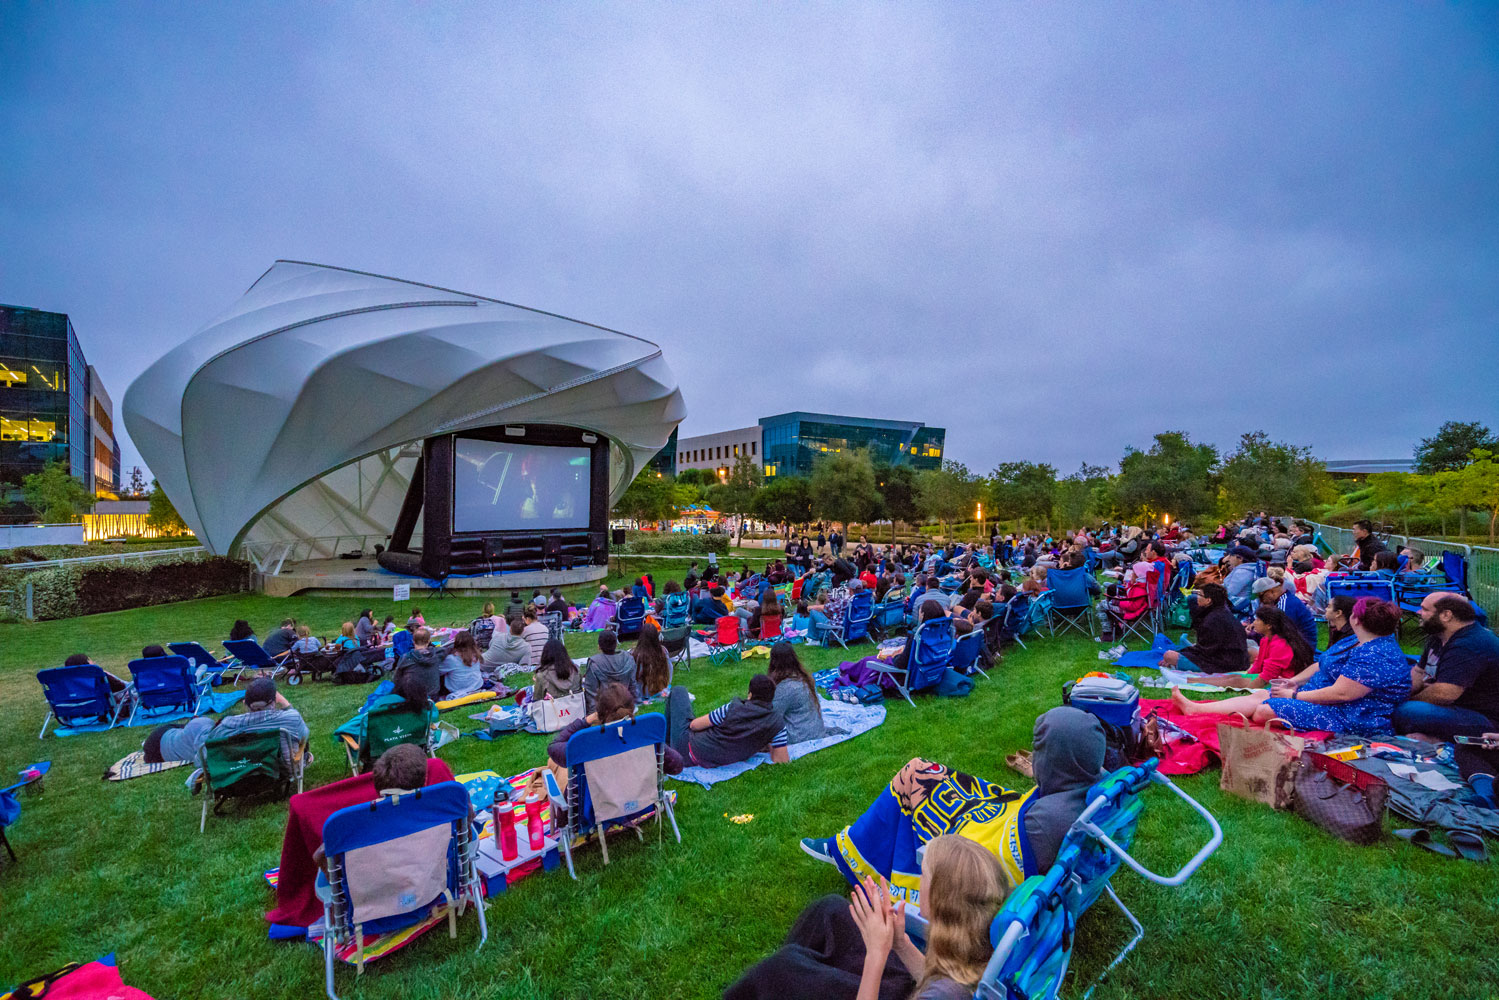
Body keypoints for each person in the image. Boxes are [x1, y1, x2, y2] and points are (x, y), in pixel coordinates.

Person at [797, 707, 1105, 904]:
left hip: (975, 848)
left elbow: (987, 863)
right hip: (999, 820)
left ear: (1059, 758)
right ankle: (863, 842)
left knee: (912, 784)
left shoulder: (1050, 823)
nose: (1036, 758)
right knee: (923, 772)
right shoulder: (1088, 793)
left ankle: (850, 850)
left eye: (1041, 751)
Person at [1171, 597, 1412, 737]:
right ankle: (1196, 709)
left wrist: (1294, 695)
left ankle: (1200, 709)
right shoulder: (1356, 641)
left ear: (1356, 619)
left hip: (1351, 716)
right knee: (1263, 695)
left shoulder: (1374, 654)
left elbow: (1342, 694)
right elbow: (1320, 664)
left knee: (1265, 709)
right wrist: (1294, 682)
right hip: (1325, 699)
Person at [1394, 594, 1499, 740]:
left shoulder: (1469, 644)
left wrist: (1410, 700)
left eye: (1425, 609)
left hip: (1484, 718)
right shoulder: (1439, 636)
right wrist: (1396, 696)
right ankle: (1431, 738)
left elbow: (1444, 694)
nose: (1418, 612)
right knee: (1396, 701)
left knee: (1408, 711)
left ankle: (1443, 741)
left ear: (1446, 615)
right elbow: (1418, 672)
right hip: (1457, 707)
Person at [142, 677, 309, 766]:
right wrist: (286, 704)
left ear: (245, 704)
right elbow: (304, 736)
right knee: (199, 725)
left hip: (161, 743)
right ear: (273, 702)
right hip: (167, 742)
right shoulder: (291, 720)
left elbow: (202, 758)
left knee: (199, 724)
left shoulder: (228, 725)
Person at [545, 681, 683, 781]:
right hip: (641, 803)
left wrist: (586, 721)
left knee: (556, 765)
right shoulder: (645, 737)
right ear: (632, 708)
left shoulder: (585, 743)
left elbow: (554, 747)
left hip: (596, 809)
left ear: (599, 712)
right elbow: (677, 766)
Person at [666, 673, 790, 768]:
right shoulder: (776, 723)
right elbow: (781, 760)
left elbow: (694, 725)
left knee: (679, 691)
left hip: (688, 749)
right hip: (713, 760)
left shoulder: (732, 708)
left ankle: (666, 746)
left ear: (750, 694)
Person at [1193, 606, 1316, 689]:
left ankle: (1194, 682)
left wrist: (1249, 686)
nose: (1254, 623)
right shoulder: (1266, 640)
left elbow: (1268, 676)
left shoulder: (1280, 645)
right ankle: (1193, 681)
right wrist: (1248, 675)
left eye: (1257, 620)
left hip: (1280, 682)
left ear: (1268, 625)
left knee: (1234, 681)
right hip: (1269, 678)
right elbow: (1258, 663)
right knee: (1234, 677)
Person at [1160, 584, 1250, 675]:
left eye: (1200, 595)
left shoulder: (1212, 619)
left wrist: (1181, 655)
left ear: (1208, 600)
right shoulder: (1223, 613)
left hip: (1223, 664)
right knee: (1184, 651)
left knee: (1169, 655)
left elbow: (1205, 652)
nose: (1197, 597)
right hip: (1235, 661)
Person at [768, 641, 826, 743]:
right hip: (816, 731)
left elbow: (772, 718)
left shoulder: (784, 688)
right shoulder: (804, 678)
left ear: (774, 661)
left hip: (799, 736)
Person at [1249, 576, 1318, 650]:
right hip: (1295, 643)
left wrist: (1257, 630)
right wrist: (1256, 625)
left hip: (1301, 648)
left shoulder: (1286, 604)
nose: (1260, 600)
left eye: (1261, 596)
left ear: (1271, 591)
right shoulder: (1282, 600)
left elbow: (1280, 631)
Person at [582, 629, 641, 714]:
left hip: (606, 708)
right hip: (625, 705)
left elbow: (591, 691)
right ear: (616, 644)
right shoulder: (628, 658)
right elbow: (633, 685)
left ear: (599, 646)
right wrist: (636, 703)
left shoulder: (594, 663)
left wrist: (593, 713)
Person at [525, 637, 584, 703]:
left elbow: (537, 701)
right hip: (576, 706)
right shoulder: (575, 670)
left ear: (545, 655)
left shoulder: (542, 676)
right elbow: (580, 692)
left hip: (553, 708)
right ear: (564, 653)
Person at [394, 627, 445, 701]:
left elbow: (396, 679)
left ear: (413, 640)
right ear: (429, 641)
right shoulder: (438, 653)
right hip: (433, 696)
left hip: (413, 697)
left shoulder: (406, 658)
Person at [438, 631, 485, 698]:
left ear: (456, 643)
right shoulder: (477, 655)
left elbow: (438, 671)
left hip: (456, 689)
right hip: (476, 686)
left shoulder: (451, 658)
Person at [631, 623, 673, 698]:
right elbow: (670, 670)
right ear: (656, 636)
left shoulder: (635, 654)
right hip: (659, 690)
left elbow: (632, 677)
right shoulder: (663, 651)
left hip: (641, 692)